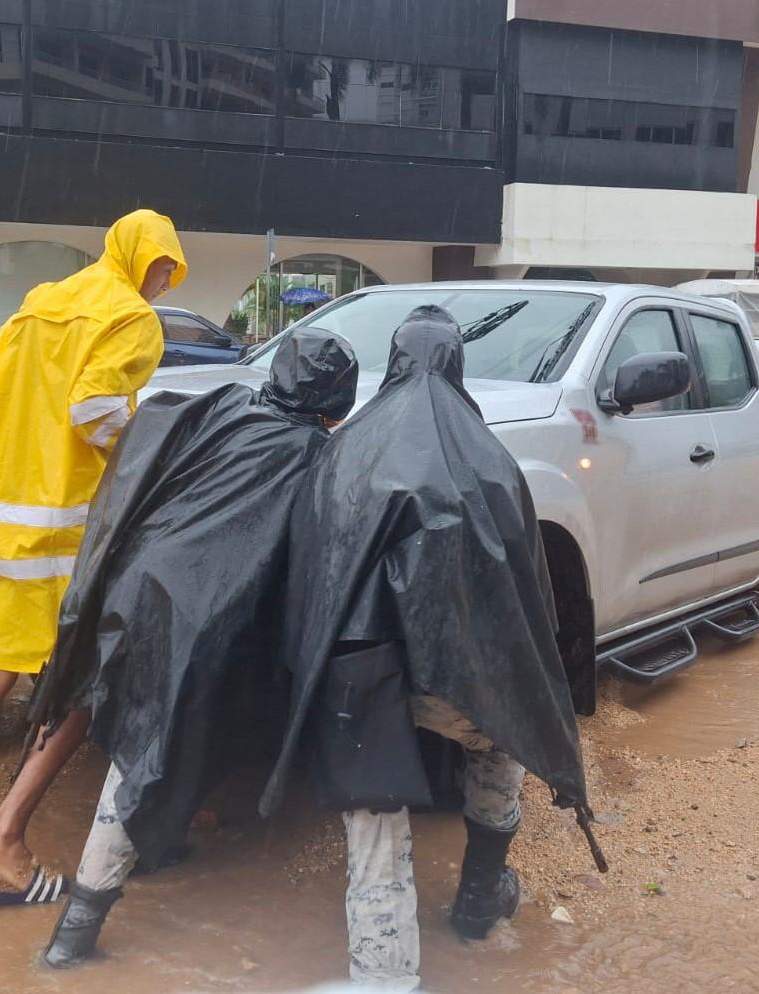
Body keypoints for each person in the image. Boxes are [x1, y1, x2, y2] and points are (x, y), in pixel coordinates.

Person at [251, 307, 603, 991]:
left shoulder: (346, 448)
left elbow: (312, 576)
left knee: (375, 819)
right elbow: (527, 607)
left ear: (396, 361)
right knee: (500, 747)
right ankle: (478, 900)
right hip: (459, 685)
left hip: (357, 680)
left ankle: (379, 968)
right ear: (455, 366)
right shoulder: (493, 460)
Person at [31, 328, 358, 951]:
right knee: (151, 748)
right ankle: (75, 931)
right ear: (337, 397)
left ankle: (156, 845)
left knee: (141, 738)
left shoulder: (226, 405)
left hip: (134, 586)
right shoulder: (317, 454)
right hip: (200, 616)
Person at [0, 208, 187, 896]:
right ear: (143, 260)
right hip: (62, 529)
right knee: (85, 680)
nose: (160, 284)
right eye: (160, 269)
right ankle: (3, 839)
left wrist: (23, 442)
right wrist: (152, 447)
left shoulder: (40, 302)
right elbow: (95, 412)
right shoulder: (132, 318)